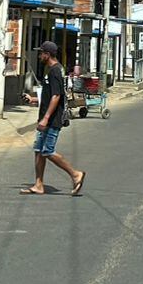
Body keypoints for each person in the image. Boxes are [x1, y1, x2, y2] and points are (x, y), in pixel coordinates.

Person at [21, 41, 84, 197]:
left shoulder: (55, 71)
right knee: (38, 151)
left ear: (47, 55)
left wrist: (46, 118)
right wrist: (33, 99)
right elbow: (49, 95)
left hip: (52, 120)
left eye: (41, 53)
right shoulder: (52, 70)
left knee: (47, 151)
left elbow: (56, 96)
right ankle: (38, 185)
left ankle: (76, 174)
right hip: (46, 117)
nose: (40, 55)